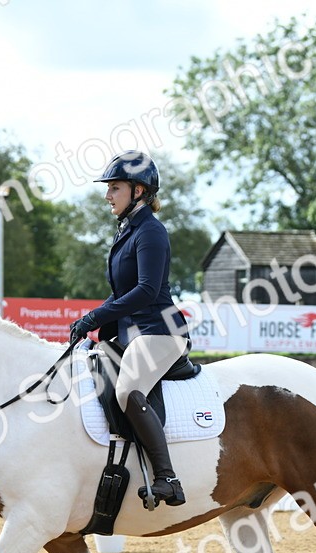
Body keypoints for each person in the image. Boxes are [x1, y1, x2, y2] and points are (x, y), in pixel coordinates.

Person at [69, 151, 190, 508]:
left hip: (159, 331)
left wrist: (95, 316)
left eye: (115, 188)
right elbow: (121, 293)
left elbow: (146, 291)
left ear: (138, 190)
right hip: (132, 333)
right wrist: (100, 322)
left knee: (127, 391)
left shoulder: (151, 231)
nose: (107, 195)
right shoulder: (129, 231)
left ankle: (167, 478)